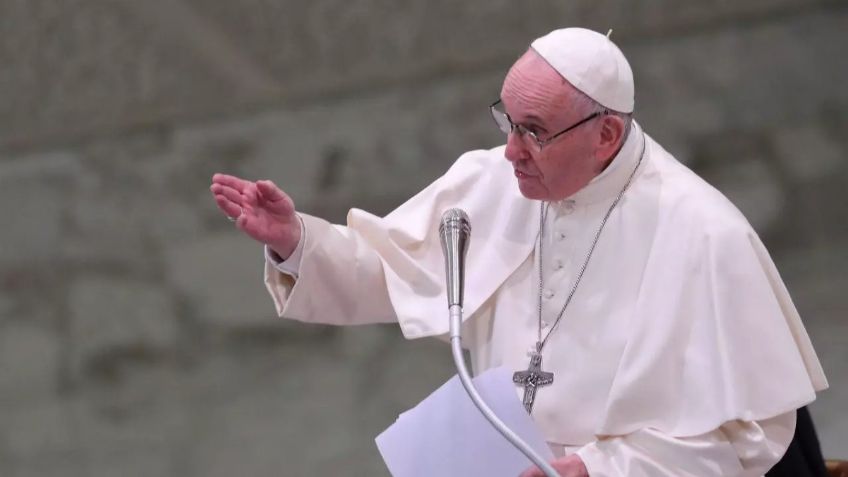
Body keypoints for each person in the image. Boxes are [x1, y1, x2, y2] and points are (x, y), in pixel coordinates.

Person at [209, 28, 828, 476]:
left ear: (605, 134)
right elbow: (395, 271)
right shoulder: (494, 182)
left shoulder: (702, 232)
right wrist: (296, 242)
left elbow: (746, 436)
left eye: (535, 131)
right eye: (508, 121)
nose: (511, 151)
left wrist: (599, 470)